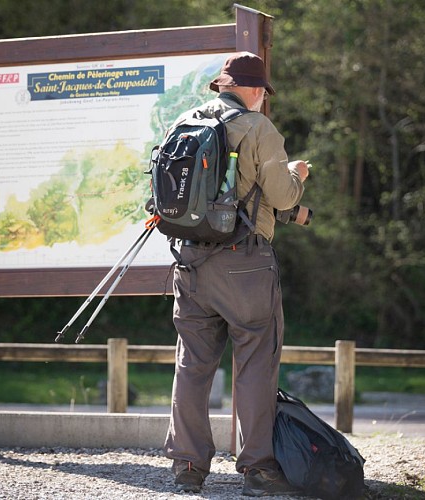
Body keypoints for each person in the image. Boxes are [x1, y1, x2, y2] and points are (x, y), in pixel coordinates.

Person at [162, 51, 311, 496]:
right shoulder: (258, 127)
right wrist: (297, 175)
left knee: (192, 362)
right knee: (254, 364)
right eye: (263, 90)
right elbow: (283, 198)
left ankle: (188, 465)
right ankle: (257, 470)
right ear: (254, 90)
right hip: (244, 263)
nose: (264, 97)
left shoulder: (183, 121)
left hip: (189, 260)